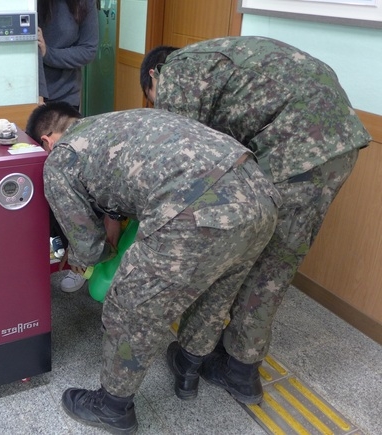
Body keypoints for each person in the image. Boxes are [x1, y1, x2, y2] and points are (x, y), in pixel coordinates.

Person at [140, 36, 372, 405]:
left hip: (291, 150)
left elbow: (181, 162)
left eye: (153, 97)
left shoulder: (178, 71)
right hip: (339, 146)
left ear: (155, 75)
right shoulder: (225, 63)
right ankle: (242, 372)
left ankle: (191, 356)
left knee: (228, 252)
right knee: (276, 264)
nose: (158, 104)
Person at [26, 102, 280, 433]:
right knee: (217, 290)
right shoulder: (118, 118)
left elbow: (87, 245)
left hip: (197, 209)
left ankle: (112, 406)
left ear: (46, 141)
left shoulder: (61, 158)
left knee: (130, 305)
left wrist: (103, 258)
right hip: (261, 194)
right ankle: (188, 366)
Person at [37, 0, 99, 292]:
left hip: (65, 100)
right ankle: (41, 255)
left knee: (70, 183)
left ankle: (78, 259)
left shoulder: (83, 4)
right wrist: (37, 92)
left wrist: (50, 54)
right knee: (36, 184)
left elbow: (89, 50)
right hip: (28, 98)